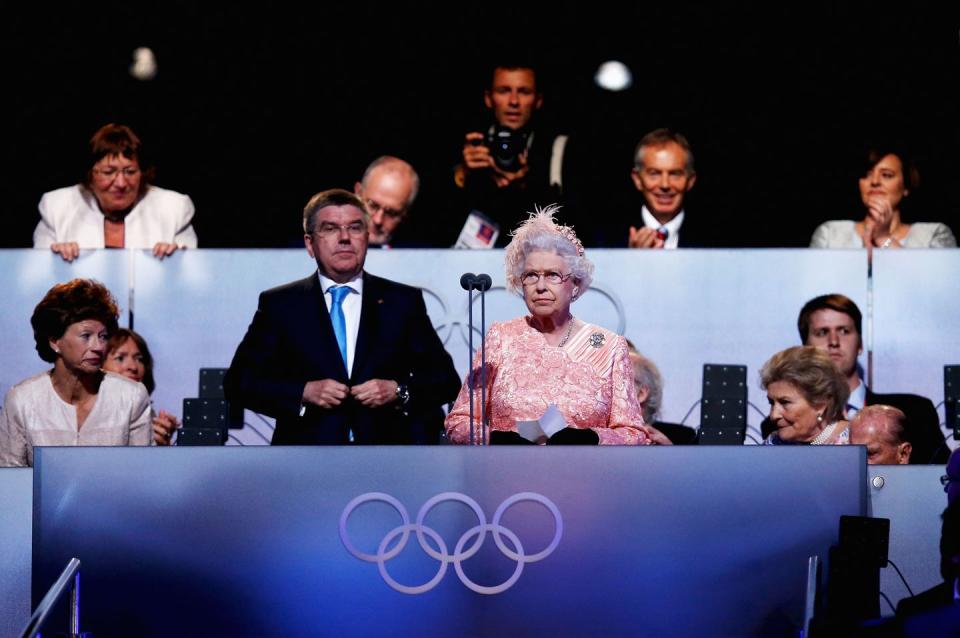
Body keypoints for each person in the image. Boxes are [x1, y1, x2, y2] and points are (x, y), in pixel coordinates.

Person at [224, 189, 461, 444]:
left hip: (387, 459)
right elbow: (238, 383)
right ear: (309, 244)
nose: (345, 237)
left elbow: (446, 380)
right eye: (330, 228)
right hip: (304, 459)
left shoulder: (402, 302)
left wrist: (398, 391)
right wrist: (303, 392)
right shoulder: (280, 305)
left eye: (355, 228)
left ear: (367, 238)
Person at [444, 207, 655, 445]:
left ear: (575, 284)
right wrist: (496, 439)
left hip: (584, 476)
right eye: (531, 275)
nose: (540, 286)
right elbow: (459, 422)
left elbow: (634, 433)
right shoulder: (500, 338)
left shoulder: (609, 346)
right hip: (506, 473)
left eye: (553, 275)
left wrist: (589, 438)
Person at [0, 279, 151, 467]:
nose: (97, 347)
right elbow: (10, 482)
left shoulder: (131, 397)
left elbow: (141, 475)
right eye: (86, 336)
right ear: (55, 341)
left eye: (103, 337)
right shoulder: (21, 400)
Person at [794, 294, 946, 462]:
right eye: (822, 332)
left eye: (844, 331)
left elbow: (940, 481)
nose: (834, 341)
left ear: (860, 344)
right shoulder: (787, 421)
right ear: (805, 349)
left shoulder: (915, 412)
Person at [34, 123, 197, 262]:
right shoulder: (55, 207)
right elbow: (38, 281)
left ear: (142, 173)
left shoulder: (175, 208)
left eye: (130, 171)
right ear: (90, 175)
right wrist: (56, 262)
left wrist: (177, 262)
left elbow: (194, 279)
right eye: (108, 172)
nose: (121, 183)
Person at [451, 63, 568, 246]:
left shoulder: (559, 151)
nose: (514, 101)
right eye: (504, 91)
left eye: (524, 92)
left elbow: (574, 233)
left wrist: (526, 189)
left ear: (538, 100)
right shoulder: (471, 145)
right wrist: (463, 176)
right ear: (489, 98)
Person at [810, 146, 956, 249]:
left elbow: (932, 285)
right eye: (866, 174)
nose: (874, 182)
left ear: (906, 187)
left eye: (887, 175)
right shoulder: (831, 233)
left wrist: (883, 239)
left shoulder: (933, 234)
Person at [625, 128, 707, 249]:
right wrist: (628, 259)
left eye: (675, 174)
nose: (665, 185)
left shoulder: (717, 240)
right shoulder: (602, 239)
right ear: (637, 179)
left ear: (690, 180)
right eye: (654, 173)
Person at [102, 328, 179, 445]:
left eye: (139, 359)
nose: (133, 367)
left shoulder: (146, 413)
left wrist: (162, 445)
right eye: (120, 358)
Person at [761, 346, 851, 445]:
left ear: (820, 404)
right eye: (772, 403)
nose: (774, 415)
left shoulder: (856, 441)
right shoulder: (774, 443)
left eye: (785, 402)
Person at [628, 346, 696, 444]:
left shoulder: (684, 438)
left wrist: (669, 455)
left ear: (641, 394)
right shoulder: (599, 437)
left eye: (617, 380)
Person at [353, 156, 420, 247]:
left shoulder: (422, 257)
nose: (378, 220)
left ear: (405, 216)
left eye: (391, 213)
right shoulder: (328, 247)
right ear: (358, 194)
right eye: (372, 205)